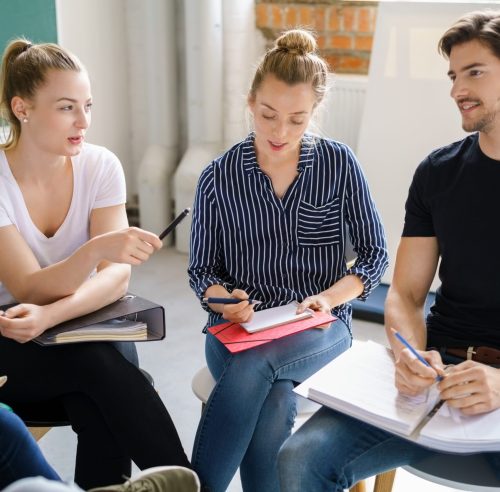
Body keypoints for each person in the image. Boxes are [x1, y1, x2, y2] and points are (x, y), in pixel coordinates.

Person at [277, 10, 500, 491]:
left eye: (475, 71)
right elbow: (404, 294)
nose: (457, 89)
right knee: (301, 458)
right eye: (454, 75)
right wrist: (410, 355)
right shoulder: (438, 174)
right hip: (442, 367)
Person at [188, 29, 388, 492]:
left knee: (260, 370)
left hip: (318, 330)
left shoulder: (339, 164)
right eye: (268, 115)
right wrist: (224, 302)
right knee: (275, 399)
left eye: (297, 119)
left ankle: (193, 488)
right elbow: (201, 272)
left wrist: (327, 297)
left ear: (314, 112)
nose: (280, 132)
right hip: (237, 332)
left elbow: (375, 256)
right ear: (249, 102)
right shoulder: (217, 177)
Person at [0, 39, 190, 489]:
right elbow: (28, 287)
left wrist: (54, 314)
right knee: (108, 369)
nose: (83, 121)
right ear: (21, 107)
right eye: (67, 107)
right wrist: (94, 252)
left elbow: (117, 277)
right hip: (10, 334)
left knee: (103, 376)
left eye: (87, 105)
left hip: (69, 325)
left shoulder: (101, 165)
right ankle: (189, 481)